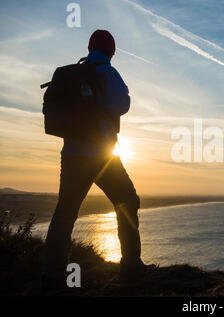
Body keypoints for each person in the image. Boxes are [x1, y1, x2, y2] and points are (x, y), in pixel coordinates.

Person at [42, 30, 148, 291]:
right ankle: (131, 266)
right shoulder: (108, 72)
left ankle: (52, 275)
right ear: (112, 51)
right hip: (102, 157)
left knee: (65, 212)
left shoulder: (71, 75)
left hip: (72, 155)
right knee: (127, 200)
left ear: (89, 47)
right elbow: (121, 105)